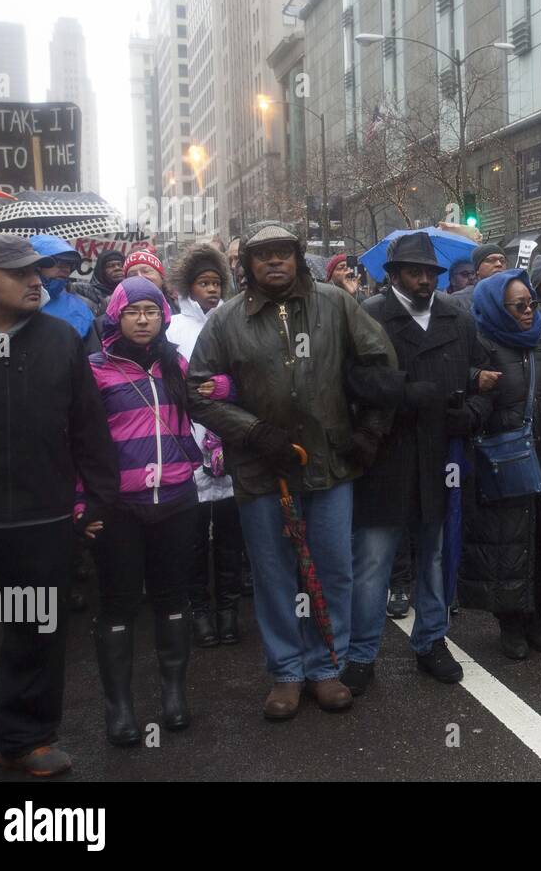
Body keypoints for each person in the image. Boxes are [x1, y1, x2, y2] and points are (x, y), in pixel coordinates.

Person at [188, 224, 397, 719]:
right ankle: (285, 672)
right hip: (261, 471)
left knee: (332, 570)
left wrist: (369, 432)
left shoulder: (336, 303)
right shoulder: (225, 319)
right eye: (264, 256)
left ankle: (327, 666)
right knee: (274, 574)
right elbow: (198, 390)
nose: (275, 262)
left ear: (299, 258)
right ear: (247, 265)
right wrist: (254, 432)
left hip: (330, 465)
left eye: (284, 253)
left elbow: (380, 365)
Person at [0, 235, 119, 777]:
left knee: (35, 632)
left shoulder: (59, 338)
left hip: (43, 518)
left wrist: (98, 495)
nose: (38, 280)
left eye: (40, 272)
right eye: (22, 273)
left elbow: (88, 425)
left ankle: (25, 738)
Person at [351, 231, 491, 687]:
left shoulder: (457, 316)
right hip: (385, 458)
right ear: (393, 275)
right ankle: (361, 654)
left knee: (434, 557)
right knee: (374, 563)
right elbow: (351, 385)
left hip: (441, 456)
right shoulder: (367, 317)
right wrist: (405, 395)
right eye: (415, 272)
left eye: (431, 273)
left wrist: (469, 413)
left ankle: (432, 640)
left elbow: (483, 377)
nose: (425, 280)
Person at [83, 277, 205, 743]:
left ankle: (174, 695)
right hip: (118, 508)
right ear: (116, 315)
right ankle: (120, 708)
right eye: (132, 311)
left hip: (176, 500)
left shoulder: (175, 362)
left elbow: (208, 404)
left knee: (173, 597)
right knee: (118, 603)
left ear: (163, 317)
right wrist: (82, 502)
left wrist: (224, 387)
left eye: (150, 311)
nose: (142, 319)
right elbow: (77, 441)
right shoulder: (94, 369)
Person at [460, 268, 541, 658]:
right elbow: (459, 384)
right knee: (506, 540)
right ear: (496, 306)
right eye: (519, 305)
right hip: (503, 457)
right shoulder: (480, 342)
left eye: (531, 303)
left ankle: (538, 616)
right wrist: (475, 379)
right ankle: (510, 622)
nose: (529, 310)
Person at [167, 244, 244, 648]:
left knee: (231, 535)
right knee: (194, 536)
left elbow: (248, 375)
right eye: (203, 283)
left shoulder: (233, 322)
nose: (211, 290)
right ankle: (199, 609)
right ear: (188, 287)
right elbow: (165, 384)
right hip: (189, 443)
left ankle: (228, 609)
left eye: (216, 283)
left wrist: (227, 387)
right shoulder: (172, 329)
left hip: (229, 440)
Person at [29, 234, 101, 352]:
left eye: (69, 264)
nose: (66, 269)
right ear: (37, 263)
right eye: (58, 262)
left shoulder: (80, 309)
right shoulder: (10, 303)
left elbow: (92, 356)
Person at [448, 243, 508, 311]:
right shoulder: (460, 299)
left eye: (502, 261)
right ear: (477, 269)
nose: (499, 264)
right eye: (490, 260)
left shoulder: (514, 293)